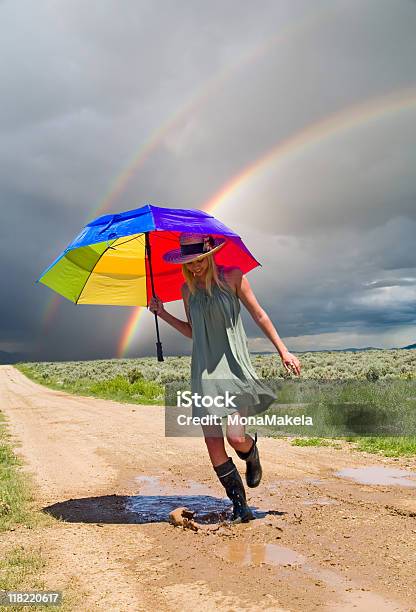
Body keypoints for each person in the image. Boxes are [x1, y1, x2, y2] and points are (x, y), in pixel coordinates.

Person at [148, 232, 301, 523]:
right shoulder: (186, 290)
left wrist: (284, 351)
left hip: (232, 367)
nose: (194, 267)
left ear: (209, 252)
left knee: (235, 436)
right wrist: (163, 313)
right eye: (188, 262)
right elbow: (193, 332)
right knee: (212, 443)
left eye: (198, 260)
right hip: (204, 371)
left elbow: (259, 315)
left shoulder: (233, 277)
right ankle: (239, 505)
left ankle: (251, 453)